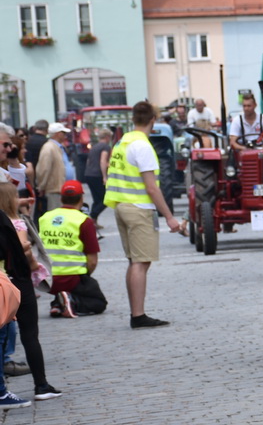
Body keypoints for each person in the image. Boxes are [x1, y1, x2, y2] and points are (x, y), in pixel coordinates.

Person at [106, 100, 185, 328]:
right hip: (139, 208)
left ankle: (136, 312)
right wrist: (169, 216)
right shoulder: (143, 146)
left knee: (133, 262)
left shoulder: (122, 142)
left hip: (121, 205)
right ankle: (138, 315)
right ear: (153, 120)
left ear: (133, 119)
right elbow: (152, 187)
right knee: (141, 263)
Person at [0, 179, 58, 404]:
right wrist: (35, 266)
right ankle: (41, 384)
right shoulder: (17, 223)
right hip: (18, 282)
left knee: (4, 336)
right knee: (30, 334)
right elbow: (25, 248)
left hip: (5, 279)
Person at [41, 180, 101, 317]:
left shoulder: (45, 217)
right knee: (98, 302)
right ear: (82, 198)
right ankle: (72, 301)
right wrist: (85, 277)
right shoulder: (83, 220)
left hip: (47, 279)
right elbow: (92, 261)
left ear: (61, 198)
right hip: (71, 278)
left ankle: (58, 303)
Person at [33, 123, 70, 222]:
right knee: (55, 217)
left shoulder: (56, 147)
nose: (65, 135)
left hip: (59, 189)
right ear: (57, 134)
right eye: (63, 133)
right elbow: (43, 169)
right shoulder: (49, 148)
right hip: (54, 190)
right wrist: (41, 186)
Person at [83, 127, 111, 227]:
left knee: (97, 199)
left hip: (89, 174)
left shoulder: (94, 147)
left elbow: (88, 161)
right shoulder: (105, 147)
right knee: (106, 199)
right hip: (97, 175)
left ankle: (94, 221)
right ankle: (91, 217)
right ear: (108, 137)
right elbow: (103, 161)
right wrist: (105, 176)